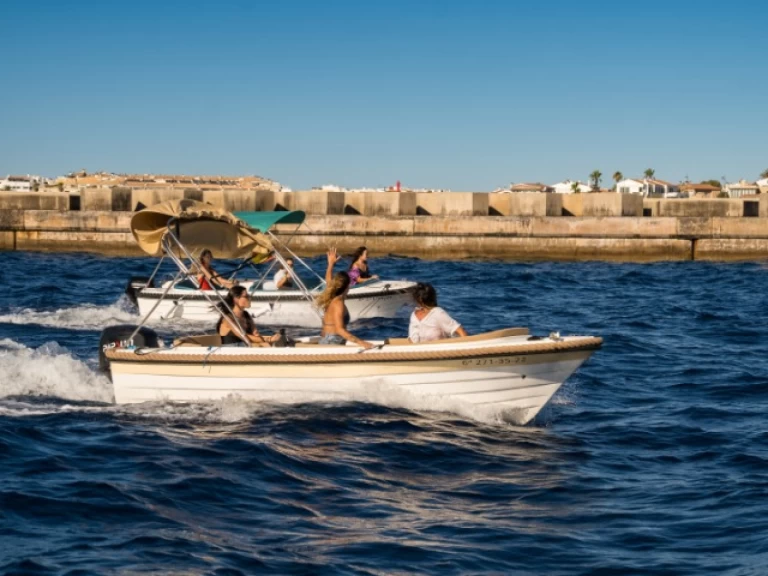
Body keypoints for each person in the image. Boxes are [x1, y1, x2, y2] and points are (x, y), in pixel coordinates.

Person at [314, 247, 374, 348]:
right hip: (332, 342)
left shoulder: (332, 296)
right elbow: (339, 330)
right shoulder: (338, 303)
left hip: (328, 339)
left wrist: (331, 264)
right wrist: (362, 343)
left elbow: (329, 281)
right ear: (347, 286)